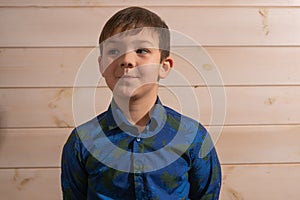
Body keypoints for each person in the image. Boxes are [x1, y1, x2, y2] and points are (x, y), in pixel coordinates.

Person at [61, 6, 221, 200]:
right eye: (114, 50)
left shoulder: (193, 138)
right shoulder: (82, 141)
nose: (127, 60)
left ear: (164, 66)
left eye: (142, 50)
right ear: (102, 65)